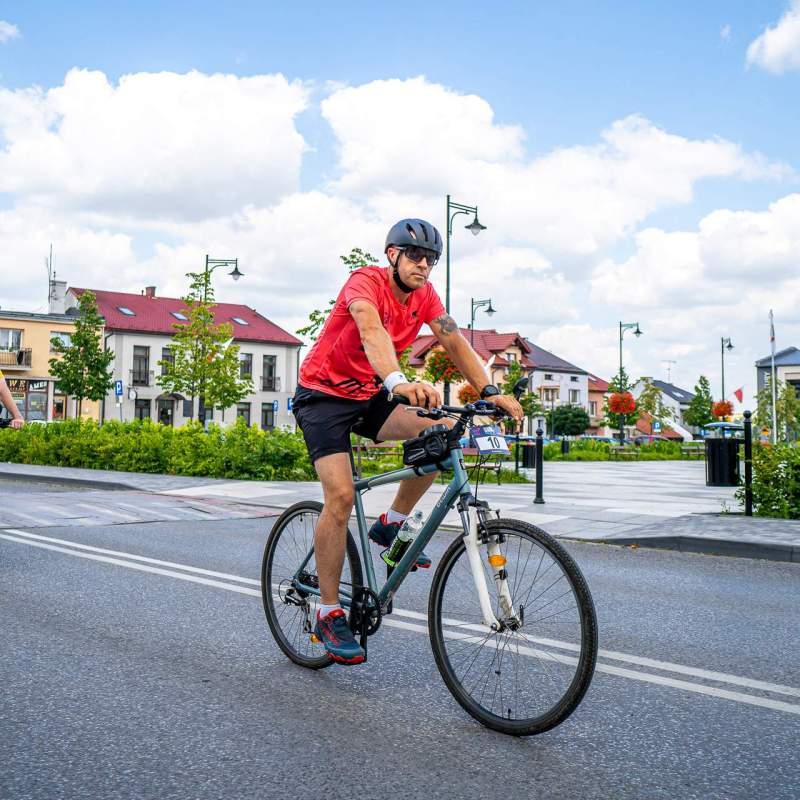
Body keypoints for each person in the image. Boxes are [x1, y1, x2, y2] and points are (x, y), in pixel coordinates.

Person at [293, 218, 523, 664]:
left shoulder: (426, 297)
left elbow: (453, 341)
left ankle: (392, 522)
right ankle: (326, 610)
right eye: (415, 255)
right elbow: (370, 328)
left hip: (369, 395)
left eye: (431, 259)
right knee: (340, 497)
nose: (424, 265)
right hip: (322, 398)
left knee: (440, 433)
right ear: (392, 255)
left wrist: (490, 391)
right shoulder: (365, 282)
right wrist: (398, 380)